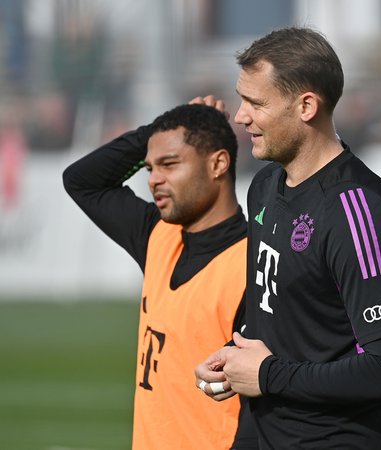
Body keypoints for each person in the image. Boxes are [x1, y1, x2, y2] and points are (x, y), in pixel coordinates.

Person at [194, 27, 381, 449]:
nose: (240, 116)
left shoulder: (358, 210)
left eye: (256, 103)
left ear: (306, 106)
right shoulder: (264, 186)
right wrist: (232, 358)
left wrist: (267, 375)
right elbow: (278, 319)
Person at [63, 100, 256, 449]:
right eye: (150, 167)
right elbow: (82, 181)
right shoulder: (158, 235)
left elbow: (262, 411)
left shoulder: (254, 267)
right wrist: (157, 132)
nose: (153, 180)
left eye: (169, 164)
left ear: (218, 164)